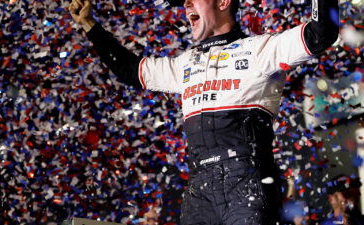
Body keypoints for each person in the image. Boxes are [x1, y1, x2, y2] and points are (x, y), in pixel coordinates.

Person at [69, 0, 339, 223]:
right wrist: (90, 26)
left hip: (247, 182)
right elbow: (132, 70)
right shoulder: (185, 64)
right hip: (199, 189)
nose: (185, 4)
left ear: (223, 2)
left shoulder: (259, 50)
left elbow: (321, 32)